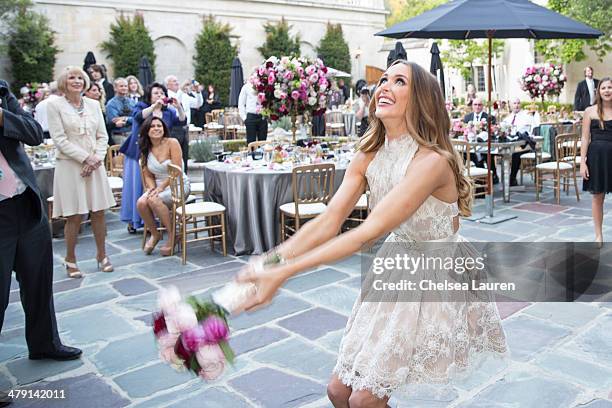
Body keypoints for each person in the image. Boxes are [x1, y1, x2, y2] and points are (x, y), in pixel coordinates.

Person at [234, 60, 507, 407]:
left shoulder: (432, 162)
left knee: (364, 400)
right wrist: (270, 261)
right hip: (396, 265)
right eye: (383, 80)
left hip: (435, 274)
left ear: (421, 98)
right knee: (338, 392)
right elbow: (328, 220)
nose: (384, 87)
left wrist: (284, 273)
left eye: (399, 81)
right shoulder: (368, 154)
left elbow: (367, 233)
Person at [1, 80, 82, 390]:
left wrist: (2, 116)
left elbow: (34, 133)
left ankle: (44, 342)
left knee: (38, 282)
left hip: (25, 204)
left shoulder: (2, 92)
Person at [47, 66, 116, 277]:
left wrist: (96, 158)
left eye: (80, 77)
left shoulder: (94, 105)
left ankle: (102, 254)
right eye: (72, 78)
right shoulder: (54, 105)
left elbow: (102, 136)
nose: (76, 81)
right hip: (70, 166)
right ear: (63, 82)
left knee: (98, 212)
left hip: (94, 165)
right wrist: (85, 158)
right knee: (74, 215)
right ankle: (70, 258)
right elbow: (59, 140)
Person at [119, 82, 186, 234]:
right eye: (156, 93)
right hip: (139, 152)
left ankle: (157, 220)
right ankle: (136, 220)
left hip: (159, 155)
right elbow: (137, 117)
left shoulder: (167, 112)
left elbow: (182, 120)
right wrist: (154, 106)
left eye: (162, 93)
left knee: (157, 187)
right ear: (149, 96)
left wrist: (178, 107)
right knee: (138, 185)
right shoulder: (142, 107)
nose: (160, 96)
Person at [137, 116, 190, 256]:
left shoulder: (172, 143)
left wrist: (160, 189)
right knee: (141, 202)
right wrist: (152, 188)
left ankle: (172, 236)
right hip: (158, 185)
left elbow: (177, 169)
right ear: (147, 131)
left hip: (177, 183)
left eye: (159, 126)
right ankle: (155, 234)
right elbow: (147, 174)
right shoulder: (145, 148)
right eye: (153, 126)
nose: (156, 129)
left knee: (154, 199)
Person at [581, 77, 612, 246]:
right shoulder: (590, 111)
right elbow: (585, 138)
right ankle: (598, 235)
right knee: (597, 197)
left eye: (610, 87)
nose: (607, 90)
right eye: (604, 88)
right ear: (598, 91)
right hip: (596, 159)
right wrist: (582, 162)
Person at [501, 98, 540, 187]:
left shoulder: (527, 116)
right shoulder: (507, 118)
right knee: (500, 152)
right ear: (511, 105)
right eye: (514, 103)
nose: (516, 105)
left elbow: (533, 129)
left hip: (524, 145)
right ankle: (495, 176)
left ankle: (512, 178)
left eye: (518, 103)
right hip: (510, 143)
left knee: (516, 153)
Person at [165, 75, 199, 171]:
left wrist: (198, 92)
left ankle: (185, 177)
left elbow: (198, 103)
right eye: (174, 81)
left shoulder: (184, 95)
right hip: (175, 129)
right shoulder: (167, 95)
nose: (177, 83)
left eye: (177, 81)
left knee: (184, 155)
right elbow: (175, 102)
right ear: (168, 85)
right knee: (175, 156)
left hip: (185, 128)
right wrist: (181, 88)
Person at [463, 98, 498, 183]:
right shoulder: (467, 117)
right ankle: (468, 179)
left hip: (484, 145)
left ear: (482, 106)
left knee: (487, 154)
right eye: (475, 105)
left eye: (479, 105)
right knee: (463, 154)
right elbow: (464, 131)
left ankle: (491, 177)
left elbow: (493, 132)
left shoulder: (489, 117)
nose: (477, 107)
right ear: (472, 106)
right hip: (471, 145)